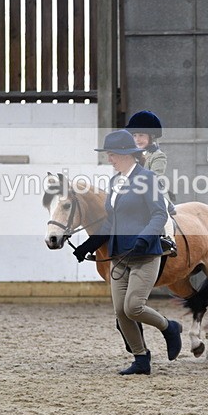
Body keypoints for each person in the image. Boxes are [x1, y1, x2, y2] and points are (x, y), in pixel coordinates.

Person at [72, 129, 182, 375]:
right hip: (120, 257)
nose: (109, 159)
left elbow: (159, 214)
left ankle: (169, 328)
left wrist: (145, 237)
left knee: (133, 307)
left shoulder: (147, 179)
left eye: (111, 155)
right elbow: (111, 222)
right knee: (121, 311)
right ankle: (141, 359)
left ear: (125, 154)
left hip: (144, 255)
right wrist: (88, 246)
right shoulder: (114, 182)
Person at [125, 111, 176, 252]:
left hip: (154, 192)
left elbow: (156, 176)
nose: (137, 139)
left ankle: (170, 239)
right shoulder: (129, 156)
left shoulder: (157, 156)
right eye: (134, 135)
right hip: (131, 192)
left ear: (151, 136)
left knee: (162, 210)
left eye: (141, 135)